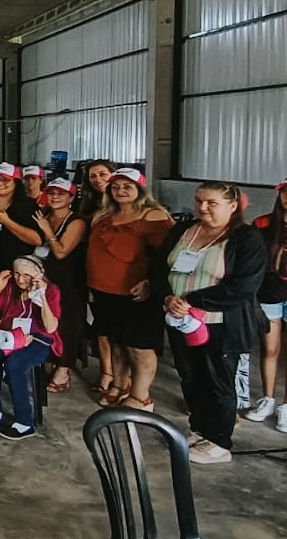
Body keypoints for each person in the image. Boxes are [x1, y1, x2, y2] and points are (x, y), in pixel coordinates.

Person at [153, 182, 267, 464]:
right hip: (180, 320)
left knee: (218, 380)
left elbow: (244, 285)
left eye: (211, 203)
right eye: (199, 201)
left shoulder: (246, 239)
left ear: (233, 206)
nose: (202, 207)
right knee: (191, 377)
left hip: (220, 324)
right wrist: (168, 298)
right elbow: (158, 267)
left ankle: (219, 441)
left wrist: (192, 301)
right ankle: (200, 428)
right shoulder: (183, 230)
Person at [86, 167, 173, 411]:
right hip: (104, 290)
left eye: (127, 186)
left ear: (140, 189)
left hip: (136, 292)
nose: (120, 190)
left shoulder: (153, 216)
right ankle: (119, 384)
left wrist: (150, 283)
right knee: (116, 341)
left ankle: (141, 395)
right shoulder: (104, 215)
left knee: (139, 346)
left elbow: (167, 256)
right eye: (115, 186)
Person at [0, 255, 62, 440]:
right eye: (16, 274)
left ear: (39, 274)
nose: (20, 280)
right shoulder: (10, 287)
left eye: (26, 275)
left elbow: (50, 328)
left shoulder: (51, 291)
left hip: (38, 338)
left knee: (15, 364)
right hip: (9, 335)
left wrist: (42, 297)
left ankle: (24, 422)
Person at [33, 178, 88, 392]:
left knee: (68, 322)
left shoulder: (77, 221)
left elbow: (61, 252)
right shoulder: (44, 215)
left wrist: (47, 230)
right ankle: (49, 356)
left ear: (71, 197)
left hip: (69, 279)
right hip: (45, 276)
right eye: (52, 193)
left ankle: (64, 367)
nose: (55, 197)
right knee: (47, 319)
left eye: (61, 194)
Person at [246, 179, 287, 428]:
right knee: (270, 349)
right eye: (285, 193)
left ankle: (286, 407)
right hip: (270, 293)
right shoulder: (263, 224)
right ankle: (268, 398)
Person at [0, 163, 44, 271]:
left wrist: (7, 222)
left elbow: (37, 240)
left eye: (6, 180)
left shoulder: (27, 205)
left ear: (15, 182)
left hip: (17, 269)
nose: (0, 183)